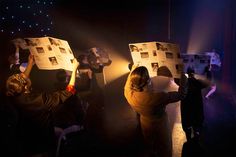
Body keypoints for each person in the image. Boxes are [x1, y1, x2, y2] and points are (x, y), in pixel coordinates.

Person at [5, 54, 79, 157]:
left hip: (24, 137)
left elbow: (22, 80)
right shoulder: (39, 100)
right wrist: (74, 69)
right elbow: (68, 92)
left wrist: (30, 63)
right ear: (26, 86)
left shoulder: (13, 94)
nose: (23, 74)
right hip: (41, 142)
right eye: (21, 76)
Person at [124, 65, 187, 157]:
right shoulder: (158, 97)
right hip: (160, 125)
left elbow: (128, 83)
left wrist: (134, 69)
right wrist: (183, 76)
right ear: (148, 82)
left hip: (145, 124)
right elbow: (181, 94)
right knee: (165, 149)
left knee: (151, 147)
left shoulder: (129, 94)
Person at [180, 67, 210, 142]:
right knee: (197, 130)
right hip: (197, 112)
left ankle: (189, 142)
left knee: (188, 132)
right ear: (194, 74)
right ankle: (196, 141)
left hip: (187, 114)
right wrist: (208, 71)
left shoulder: (183, 84)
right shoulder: (197, 82)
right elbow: (208, 82)